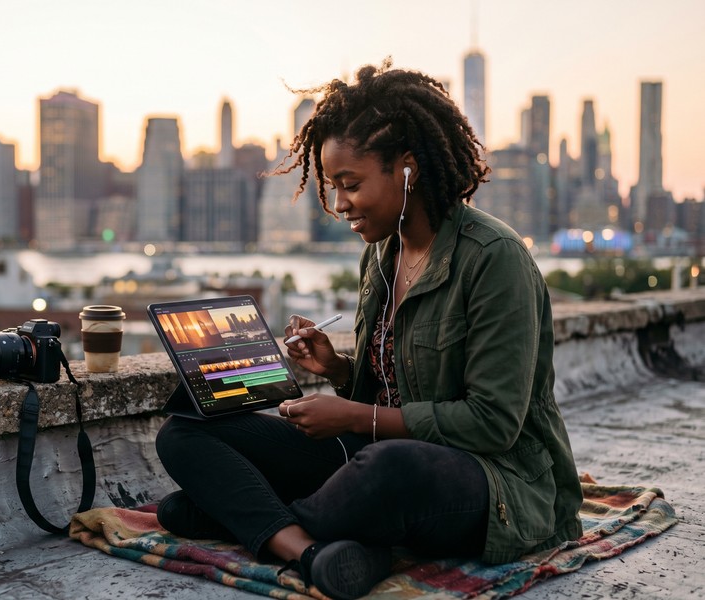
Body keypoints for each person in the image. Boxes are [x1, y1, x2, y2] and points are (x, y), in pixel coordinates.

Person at [155, 59, 583, 600]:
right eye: (333, 187)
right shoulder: (382, 255)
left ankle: (246, 516)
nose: (339, 205)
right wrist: (337, 370)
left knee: (387, 468)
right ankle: (308, 549)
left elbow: (492, 424)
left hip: (492, 482)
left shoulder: (494, 259)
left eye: (350, 184)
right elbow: (399, 388)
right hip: (375, 458)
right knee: (185, 431)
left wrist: (356, 415)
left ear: (407, 169)